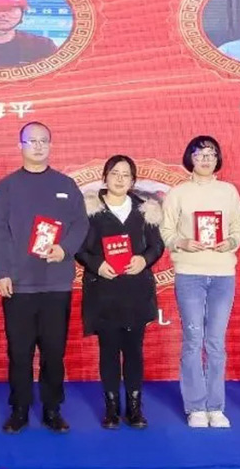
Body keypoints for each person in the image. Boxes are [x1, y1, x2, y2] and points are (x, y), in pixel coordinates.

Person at [0, 121, 88, 434]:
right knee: (19, 353)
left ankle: (52, 409)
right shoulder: (7, 187)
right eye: (31, 141)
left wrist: (65, 249)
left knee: (53, 352)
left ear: (51, 145)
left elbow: (81, 224)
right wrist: (2, 272)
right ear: (20, 145)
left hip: (56, 283)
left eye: (43, 140)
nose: (38, 146)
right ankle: (19, 409)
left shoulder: (66, 185)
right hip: (18, 285)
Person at [160, 136, 240, 429]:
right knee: (193, 340)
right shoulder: (178, 193)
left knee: (216, 342)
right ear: (190, 159)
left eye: (211, 154)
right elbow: (166, 230)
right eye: (199, 154)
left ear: (218, 158)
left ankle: (216, 406)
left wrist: (231, 242)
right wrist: (182, 242)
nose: (206, 159)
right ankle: (196, 406)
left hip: (223, 274)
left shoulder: (228, 191)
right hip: (189, 273)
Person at [75, 155, 164, 429]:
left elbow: (157, 246)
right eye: (115, 173)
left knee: (134, 351)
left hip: (135, 291)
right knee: (109, 351)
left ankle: (135, 409)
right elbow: (78, 248)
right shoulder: (90, 208)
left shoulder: (146, 208)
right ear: (105, 177)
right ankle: (111, 409)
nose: (120, 179)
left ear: (133, 181)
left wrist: (144, 260)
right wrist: (97, 265)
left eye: (126, 175)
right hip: (104, 291)